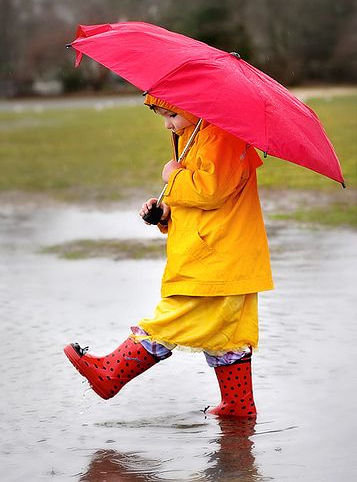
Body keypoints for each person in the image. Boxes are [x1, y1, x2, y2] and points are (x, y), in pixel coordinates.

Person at [64, 94, 274, 417]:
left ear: (193, 105)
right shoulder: (196, 135)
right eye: (162, 116)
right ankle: (239, 404)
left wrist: (172, 175)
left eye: (171, 115)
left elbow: (211, 190)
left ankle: (111, 374)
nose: (167, 124)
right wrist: (164, 214)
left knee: (170, 319)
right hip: (217, 256)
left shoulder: (222, 137)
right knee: (228, 334)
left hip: (217, 260)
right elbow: (198, 203)